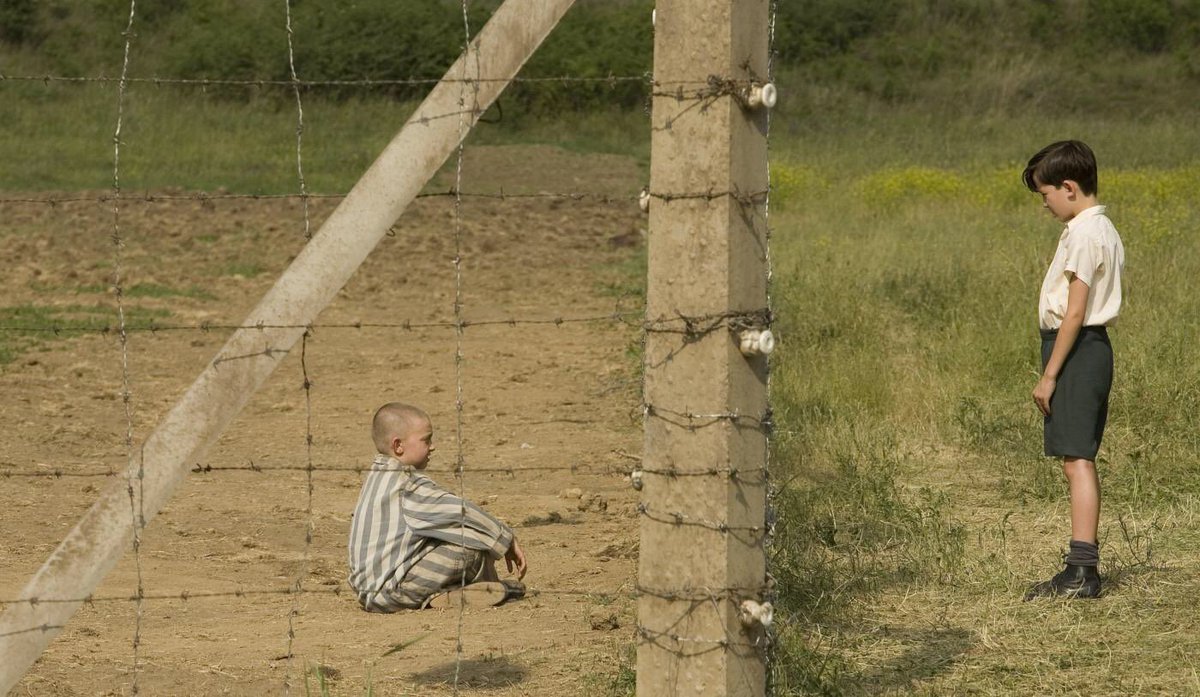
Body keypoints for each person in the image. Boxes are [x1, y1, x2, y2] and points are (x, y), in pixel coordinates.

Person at [1021, 140, 1125, 600]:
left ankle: (1082, 571)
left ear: (1068, 187)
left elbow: (1076, 312)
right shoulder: (1096, 228)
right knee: (1074, 458)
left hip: (1078, 348)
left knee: (1077, 460)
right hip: (1082, 348)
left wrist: (1049, 375)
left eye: (1045, 195)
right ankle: (1081, 568)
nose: (1044, 205)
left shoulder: (1086, 233)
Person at [348, 402, 528, 611]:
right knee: (470, 543)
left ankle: (446, 594)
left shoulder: (378, 476)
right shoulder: (407, 486)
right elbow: (460, 511)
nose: (432, 446)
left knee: (445, 535)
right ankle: (489, 589)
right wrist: (506, 538)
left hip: (368, 592)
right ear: (398, 446)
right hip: (392, 591)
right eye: (426, 440)